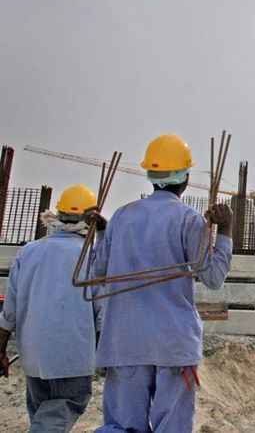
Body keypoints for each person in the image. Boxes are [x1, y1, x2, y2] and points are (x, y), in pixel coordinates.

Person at [93, 134, 233, 432]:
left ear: (150, 174)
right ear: (185, 177)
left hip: (124, 341)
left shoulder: (121, 216)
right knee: (172, 426)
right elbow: (214, 278)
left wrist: (103, 235)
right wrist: (225, 232)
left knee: (122, 427)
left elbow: (99, 270)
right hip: (172, 343)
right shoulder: (188, 219)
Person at [0, 184, 103, 431]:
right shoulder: (92, 256)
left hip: (33, 357)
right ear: (91, 219)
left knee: (42, 415)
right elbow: (103, 313)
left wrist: (1, 351)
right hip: (72, 358)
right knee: (58, 414)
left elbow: (8, 313)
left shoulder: (29, 252)